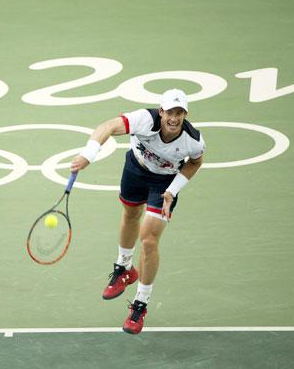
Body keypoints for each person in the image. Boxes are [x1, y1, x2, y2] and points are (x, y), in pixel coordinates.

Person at [70, 89, 205, 335]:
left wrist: (173, 190)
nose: (174, 118)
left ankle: (140, 304)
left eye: (180, 113)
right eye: (170, 112)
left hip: (164, 183)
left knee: (149, 239)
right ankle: (124, 268)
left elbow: (196, 161)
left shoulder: (192, 139)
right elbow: (108, 126)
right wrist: (88, 154)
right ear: (161, 111)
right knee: (130, 214)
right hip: (136, 169)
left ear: (185, 114)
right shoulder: (145, 119)